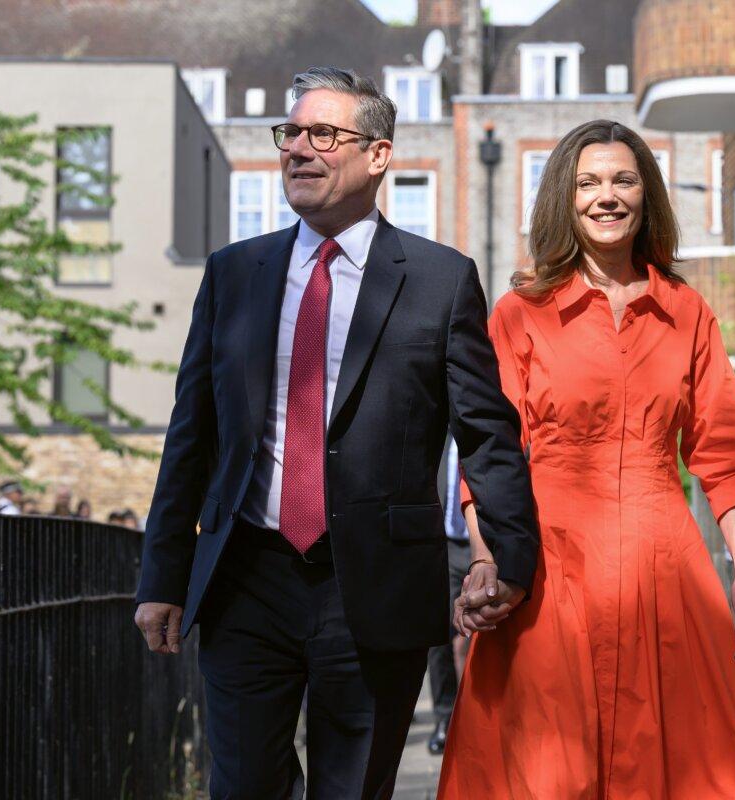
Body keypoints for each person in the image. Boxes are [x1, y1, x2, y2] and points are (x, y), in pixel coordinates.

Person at [132, 66, 537, 800]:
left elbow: (486, 434)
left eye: (322, 134)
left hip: (375, 588)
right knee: (243, 787)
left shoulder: (441, 280)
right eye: (290, 133)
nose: (297, 149)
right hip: (245, 579)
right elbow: (191, 433)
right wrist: (161, 578)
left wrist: (506, 558)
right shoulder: (233, 274)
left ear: (378, 155)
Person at [438, 120, 735, 799]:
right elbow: (489, 455)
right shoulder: (520, 314)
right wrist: (486, 558)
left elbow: (721, 449)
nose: (607, 196)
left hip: (664, 563)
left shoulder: (688, 313)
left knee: (686, 761)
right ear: (564, 200)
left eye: (623, 180)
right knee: (545, 763)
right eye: (588, 182)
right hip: (549, 563)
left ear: (646, 195)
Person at [425, 438, 471, 755]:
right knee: (438, 635)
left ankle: (477, 717)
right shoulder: (439, 438)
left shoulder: (484, 433)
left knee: (474, 638)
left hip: (484, 546)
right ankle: (444, 716)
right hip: (445, 545)